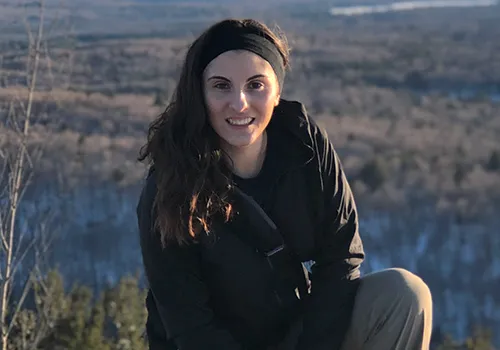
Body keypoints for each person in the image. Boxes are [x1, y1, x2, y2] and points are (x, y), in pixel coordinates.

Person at [136, 18, 433, 350]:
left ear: (277, 91)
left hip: (294, 332)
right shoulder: (170, 184)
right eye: (221, 86)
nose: (239, 103)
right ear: (199, 93)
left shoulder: (304, 146)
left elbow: (341, 257)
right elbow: (189, 323)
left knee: (403, 293)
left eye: (255, 85)